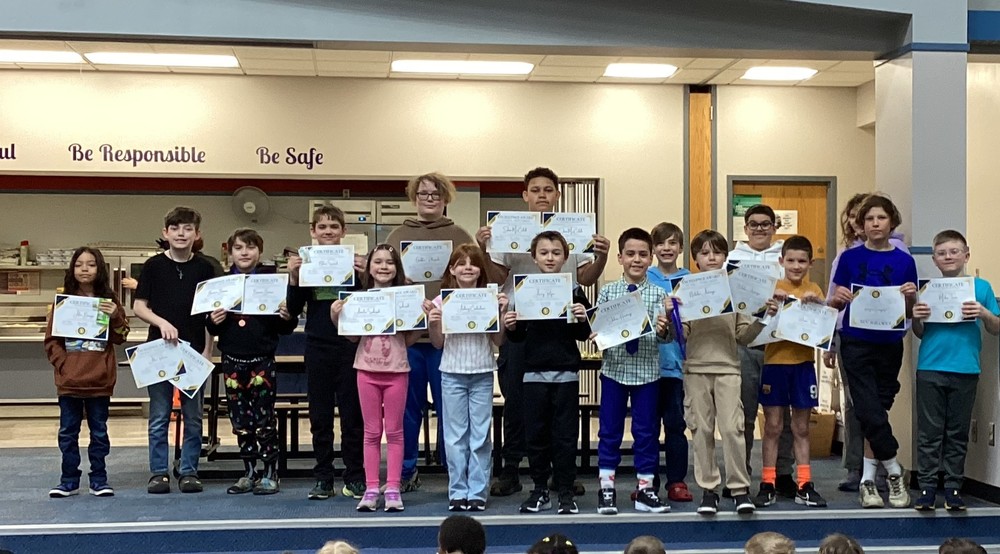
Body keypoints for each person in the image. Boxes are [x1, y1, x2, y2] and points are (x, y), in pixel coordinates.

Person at [487, 166, 610, 497]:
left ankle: (560, 475)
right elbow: (497, 274)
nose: (542, 195)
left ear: (557, 194)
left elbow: (586, 278)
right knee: (516, 403)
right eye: (535, 190)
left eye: (548, 190)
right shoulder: (507, 229)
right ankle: (510, 471)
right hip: (522, 327)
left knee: (559, 410)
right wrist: (484, 244)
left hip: (560, 329)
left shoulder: (574, 231)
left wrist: (602, 255)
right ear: (525, 195)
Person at [385, 172, 492, 492]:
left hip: (449, 341)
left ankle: (455, 471)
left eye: (435, 194)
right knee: (408, 409)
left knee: (453, 412)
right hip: (408, 337)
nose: (429, 199)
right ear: (414, 198)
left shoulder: (459, 234)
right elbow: (384, 277)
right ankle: (406, 469)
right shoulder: (397, 235)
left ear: (445, 199)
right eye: (423, 194)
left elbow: (477, 274)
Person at [663, 229, 776, 515]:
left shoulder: (735, 289)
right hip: (696, 369)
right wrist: (668, 318)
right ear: (696, 259)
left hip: (728, 368)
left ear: (725, 257)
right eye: (704, 253)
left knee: (733, 429)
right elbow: (678, 335)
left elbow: (745, 337)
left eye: (717, 252)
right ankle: (708, 490)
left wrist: (763, 317)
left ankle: (739, 489)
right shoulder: (685, 289)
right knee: (701, 431)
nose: (711, 257)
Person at [828, 194, 918, 509]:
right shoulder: (849, 259)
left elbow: (909, 312)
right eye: (868, 219)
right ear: (860, 225)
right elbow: (834, 302)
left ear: (891, 222)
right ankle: (893, 468)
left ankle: (868, 481)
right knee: (866, 408)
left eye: (880, 218)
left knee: (877, 409)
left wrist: (911, 297)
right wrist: (837, 298)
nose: (874, 223)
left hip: (890, 342)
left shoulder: (905, 261)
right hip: (855, 340)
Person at [911, 230, 1000, 511]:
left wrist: (984, 313)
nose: (948, 257)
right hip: (930, 367)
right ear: (934, 259)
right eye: (942, 253)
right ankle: (926, 488)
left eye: (954, 252)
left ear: (966, 255)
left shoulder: (982, 287)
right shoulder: (927, 290)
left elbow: (995, 327)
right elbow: (919, 332)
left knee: (957, 432)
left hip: (966, 368)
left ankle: (952, 488)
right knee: (929, 432)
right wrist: (916, 316)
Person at [504, 231, 592, 515]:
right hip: (533, 375)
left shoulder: (575, 291)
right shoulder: (524, 290)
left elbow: (585, 333)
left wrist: (583, 316)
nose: (550, 258)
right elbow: (517, 339)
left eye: (556, 253)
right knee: (536, 437)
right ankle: (539, 489)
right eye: (544, 253)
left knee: (565, 437)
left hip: (566, 373)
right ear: (534, 257)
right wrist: (512, 325)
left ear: (565, 257)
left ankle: (566, 491)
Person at [133, 206, 218, 494]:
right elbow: (139, 306)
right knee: (159, 415)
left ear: (197, 234)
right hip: (159, 350)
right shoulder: (154, 266)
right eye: (176, 228)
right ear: (165, 233)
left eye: (188, 229)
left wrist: (208, 350)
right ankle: (158, 472)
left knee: (193, 416)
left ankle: (189, 470)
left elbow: (210, 314)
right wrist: (162, 323)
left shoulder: (206, 268)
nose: (181, 233)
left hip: (193, 353)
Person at [332, 244, 422, 512]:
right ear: (368, 267)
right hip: (366, 371)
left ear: (397, 269)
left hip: (396, 371)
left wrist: (421, 318)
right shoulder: (358, 299)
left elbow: (409, 338)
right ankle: (371, 488)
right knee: (371, 433)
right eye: (378, 262)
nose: (384, 267)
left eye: (390, 263)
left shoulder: (405, 297)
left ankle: (393, 488)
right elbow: (351, 336)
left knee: (395, 432)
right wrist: (337, 315)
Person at [207, 229, 297, 495]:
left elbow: (285, 328)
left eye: (250, 247)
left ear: (259, 251)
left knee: (265, 420)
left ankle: (271, 472)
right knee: (240, 422)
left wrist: (286, 315)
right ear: (230, 252)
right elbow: (210, 327)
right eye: (238, 248)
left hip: (262, 362)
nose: (244, 252)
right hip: (232, 362)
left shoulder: (272, 284)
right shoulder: (221, 284)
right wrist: (213, 320)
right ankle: (248, 471)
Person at [286, 204, 366, 500]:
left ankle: (355, 475)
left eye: (334, 227)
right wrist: (294, 279)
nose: (328, 232)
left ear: (344, 232)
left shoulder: (357, 265)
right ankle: (323, 477)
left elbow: (371, 301)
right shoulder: (305, 265)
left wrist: (365, 276)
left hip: (350, 346)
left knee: (351, 415)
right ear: (313, 232)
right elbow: (293, 311)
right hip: (317, 345)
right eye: (322, 227)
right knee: (319, 416)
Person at [427, 244, 508, 511]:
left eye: (472, 263)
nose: (467, 268)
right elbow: (438, 344)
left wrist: (501, 315)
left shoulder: (490, 298)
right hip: (451, 373)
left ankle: (477, 491)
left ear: (479, 270)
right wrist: (434, 322)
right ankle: (457, 491)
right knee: (454, 436)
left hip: (483, 372)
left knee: (481, 435)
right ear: (452, 269)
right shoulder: (442, 301)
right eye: (461, 264)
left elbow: (498, 340)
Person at [595, 228, 670, 515]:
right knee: (609, 430)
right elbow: (600, 329)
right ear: (620, 258)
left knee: (646, 431)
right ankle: (607, 489)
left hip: (648, 372)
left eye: (642, 254)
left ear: (651, 259)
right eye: (630, 254)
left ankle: (645, 489)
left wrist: (666, 329)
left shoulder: (660, 293)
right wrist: (597, 332)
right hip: (614, 370)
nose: (636, 260)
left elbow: (667, 338)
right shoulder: (608, 291)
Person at [44, 247, 129, 498]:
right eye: (79, 264)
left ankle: (99, 479)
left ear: (99, 269)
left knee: (99, 433)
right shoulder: (63, 303)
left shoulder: (109, 302)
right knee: (68, 433)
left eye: (90, 264)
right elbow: (51, 342)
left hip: (99, 381)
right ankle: (68, 479)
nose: (84, 269)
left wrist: (115, 317)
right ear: (72, 269)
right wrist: (65, 365)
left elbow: (121, 337)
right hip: (69, 382)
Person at [726, 204, 796, 498]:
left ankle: (783, 474)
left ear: (774, 227)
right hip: (745, 342)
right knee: (744, 415)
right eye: (753, 224)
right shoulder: (732, 259)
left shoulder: (785, 257)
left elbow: (797, 289)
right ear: (745, 228)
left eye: (765, 224)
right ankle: (740, 475)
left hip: (780, 344)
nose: (759, 229)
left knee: (782, 416)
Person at [754, 235, 828, 508]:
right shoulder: (772, 288)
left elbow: (823, 330)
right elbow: (756, 329)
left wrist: (818, 306)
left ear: (810, 263)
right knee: (773, 427)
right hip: (775, 363)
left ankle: (804, 483)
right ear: (781, 261)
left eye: (802, 261)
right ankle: (768, 482)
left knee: (801, 428)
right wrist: (770, 306)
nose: (796, 266)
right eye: (791, 260)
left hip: (803, 366)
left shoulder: (815, 290)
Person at [645, 222, 693, 503]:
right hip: (648, 365)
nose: (666, 248)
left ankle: (676, 481)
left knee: (676, 425)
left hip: (677, 365)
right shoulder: (644, 277)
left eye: (672, 243)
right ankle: (647, 480)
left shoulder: (690, 280)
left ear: (680, 248)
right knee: (647, 428)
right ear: (653, 249)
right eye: (661, 243)